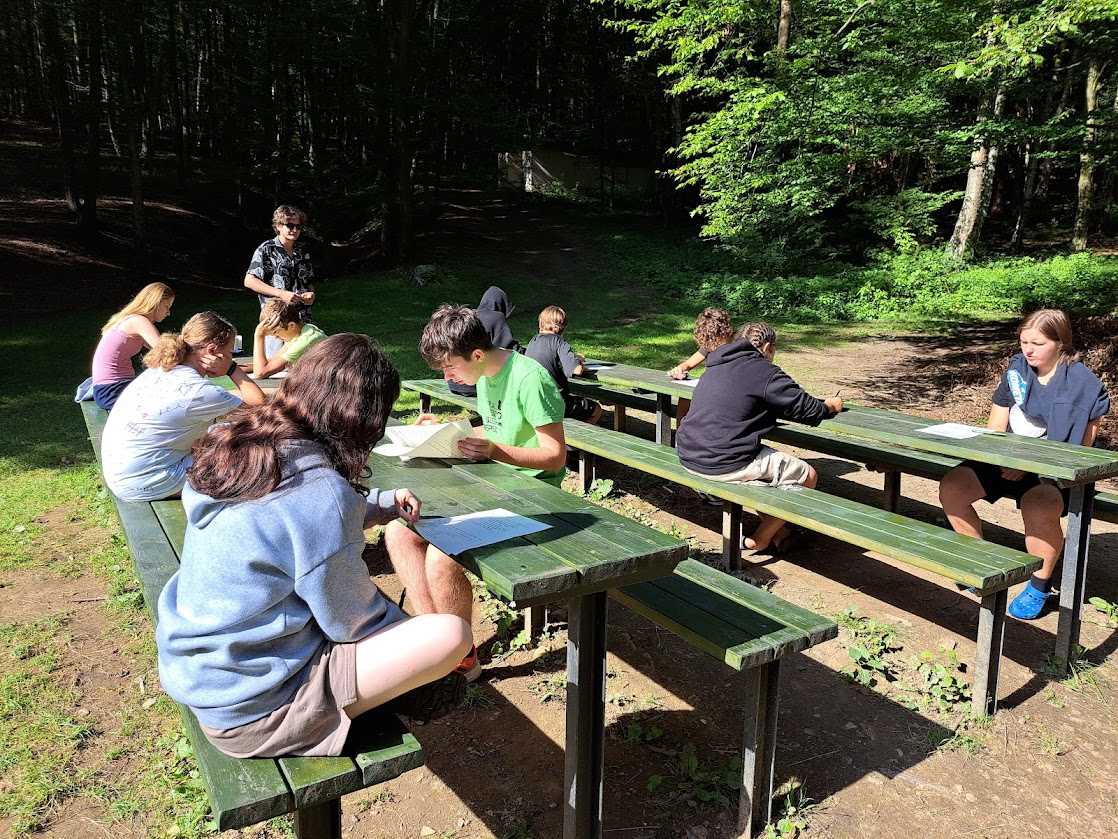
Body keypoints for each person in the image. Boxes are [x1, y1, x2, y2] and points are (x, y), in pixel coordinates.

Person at [156, 335, 473, 757]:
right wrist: (417, 645)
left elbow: (287, 519)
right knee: (449, 634)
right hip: (259, 709)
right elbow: (352, 622)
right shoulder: (320, 494)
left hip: (207, 672)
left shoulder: (240, 444)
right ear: (364, 419)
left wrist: (376, 505)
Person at [384, 304, 567, 682]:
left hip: (535, 496)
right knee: (398, 532)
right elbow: (498, 429)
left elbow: (554, 455)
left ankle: (461, 659)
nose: (448, 377)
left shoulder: (531, 378)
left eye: (450, 368)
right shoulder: (485, 373)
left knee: (441, 556)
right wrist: (446, 429)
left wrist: (495, 451)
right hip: (494, 484)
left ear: (478, 354)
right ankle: (435, 637)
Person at [939, 309, 1111, 620]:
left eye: (1038, 343)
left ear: (1061, 343)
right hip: (1005, 456)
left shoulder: (1083, 384)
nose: (1028, 350)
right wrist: (1006, 458)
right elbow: (995, 427)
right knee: (952, 487)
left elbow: (1081, 449)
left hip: (1054, 466)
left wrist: (1030, 465)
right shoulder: (1017, 371)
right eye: (1024, 342)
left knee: (1040, 506)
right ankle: (980, 560)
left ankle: (1039, 585)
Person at [676, 321, 843, 554]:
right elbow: (808, 409)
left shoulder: (717, 362)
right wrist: (831, 406)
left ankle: (780, 534)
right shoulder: (764, 371)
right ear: (766, 347)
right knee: (808, 475)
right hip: (721, 461)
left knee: (760, 473)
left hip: (689, 454)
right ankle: (759, 540)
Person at [99, 312, 266, 502]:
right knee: (254, 461)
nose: (230, 357)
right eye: (229, 353)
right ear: (212, 351)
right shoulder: (199, 390)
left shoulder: (161, 370)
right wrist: (231, 368)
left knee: (221, 440)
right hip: (146, 480)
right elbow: (260, 408)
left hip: (122, 474)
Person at [243, 205, 316, 358]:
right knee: (274, 364)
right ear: (278, 226)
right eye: (290, 226)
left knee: (302, 364)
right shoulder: (266, 249)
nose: (294, 230)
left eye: (298, 226)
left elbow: (309, 281)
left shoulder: (303, 251)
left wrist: (311, 295)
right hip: (277, 320)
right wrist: (281, 294)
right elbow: (249, 280)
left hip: (302, 320)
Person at [90, 282, 175, 411]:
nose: (168, 313)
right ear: (155, 302)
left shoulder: (130, 319)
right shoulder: (138, 321)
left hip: (107, 389)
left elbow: (161, 349)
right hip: (112, 391)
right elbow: (167, 351)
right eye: (166, 306)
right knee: (175, 395)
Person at [525, 305, 602, 425]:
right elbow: (577, 370)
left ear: (540, 324)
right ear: (564, 327)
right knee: (596, 410)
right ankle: (576, 436)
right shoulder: (559, 342)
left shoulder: (533, 341)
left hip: (533, 400)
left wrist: (572, 358)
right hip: (556, 402)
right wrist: (578, 360)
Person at [448, 286, 521, 397]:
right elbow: (508, 348)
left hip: (454, 384)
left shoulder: (469, 317)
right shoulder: (495, 317)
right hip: (474, 384)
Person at [667, 307, 734, 428]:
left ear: (728, 332)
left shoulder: (739, 344)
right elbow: (688, 364)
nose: (714, 349)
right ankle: (680, 436)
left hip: (731, 390)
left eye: (717, 344)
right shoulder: (712, 342)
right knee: (685, 397)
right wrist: (679, 369)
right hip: (713, 388)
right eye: (709, 346)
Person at [247, 299, 327, 379]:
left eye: (276, 332)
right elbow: (272, 362)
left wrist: (259, 335)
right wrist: (240, 368)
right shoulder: (298, 332)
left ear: (292, 325)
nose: (276, 337)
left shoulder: (306, 339)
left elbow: (260, 373)